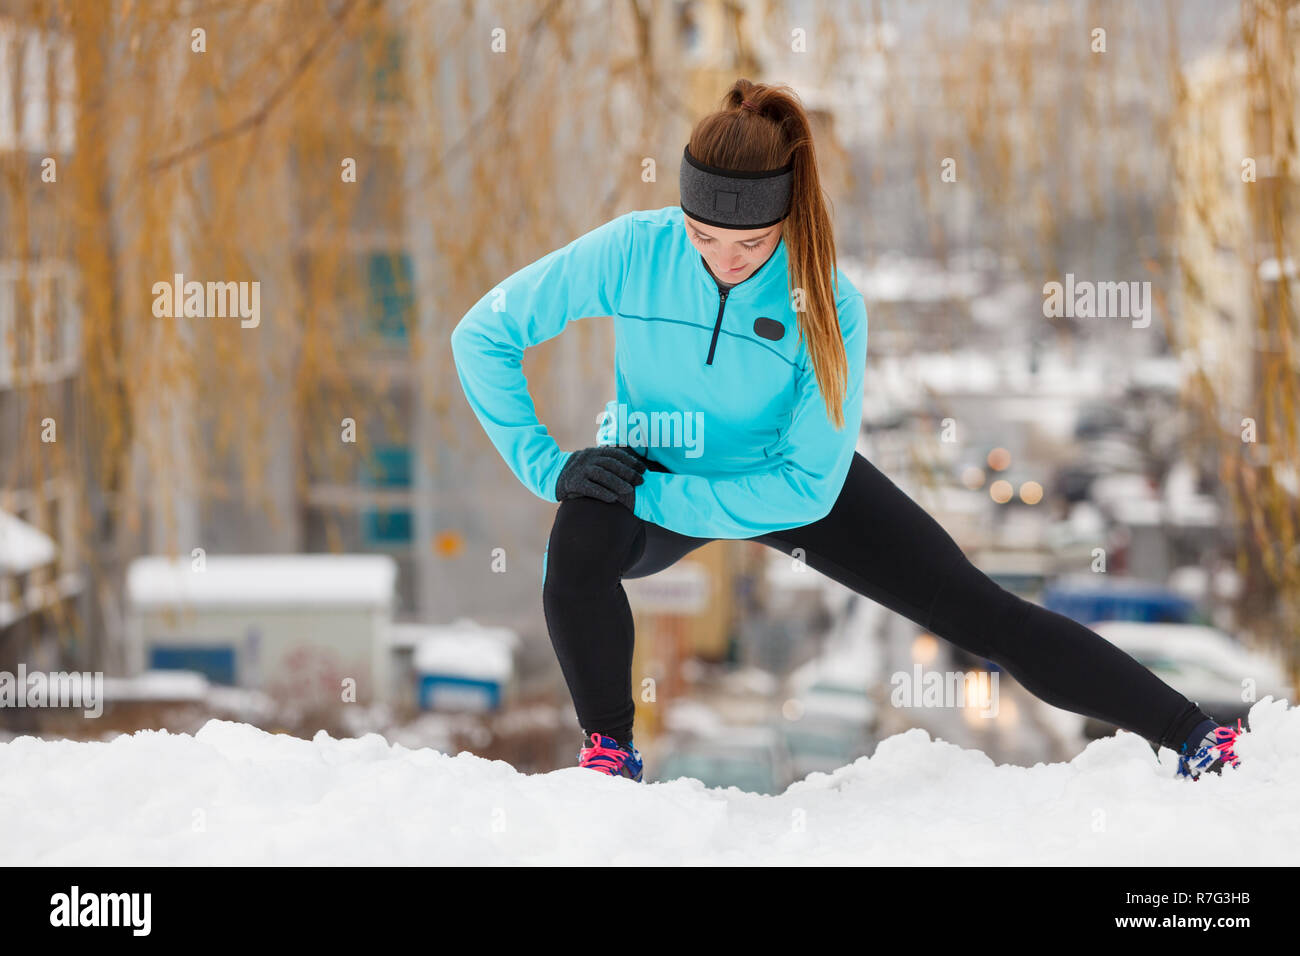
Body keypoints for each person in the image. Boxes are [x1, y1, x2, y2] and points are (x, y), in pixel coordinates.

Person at [449, 79, 1243, 783]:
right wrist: (547, 464)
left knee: (980, 612)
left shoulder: (826, 301)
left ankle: (1193, 734)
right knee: (576, 541)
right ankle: (610, 755)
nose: (723, 260)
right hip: (653, 464)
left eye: (750, 246)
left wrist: (674, 496)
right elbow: (482, 335)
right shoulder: (631, 249)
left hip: (784, 481)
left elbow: (806, 484)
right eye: (702, 238)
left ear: (786, 220)